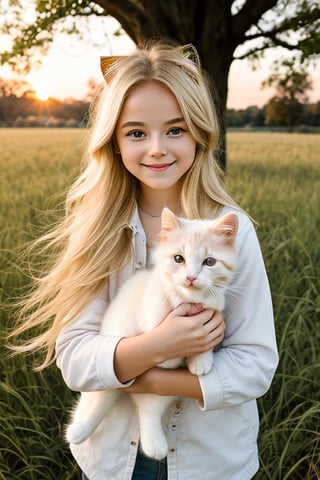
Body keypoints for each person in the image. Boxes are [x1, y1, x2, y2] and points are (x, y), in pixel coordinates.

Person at [13, 40, 278, 479]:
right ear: (114, 143)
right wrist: (160, 345)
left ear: (200, 132)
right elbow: (75, 356)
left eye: (175, 129)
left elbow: (256, 366)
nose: (156, 148)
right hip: (113, 461)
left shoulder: (233, 233)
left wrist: (154, 379)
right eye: (136, 133)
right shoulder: (96, 231)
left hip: (208, 462)